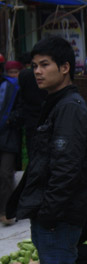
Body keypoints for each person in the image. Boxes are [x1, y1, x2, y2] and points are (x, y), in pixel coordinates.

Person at [8, 36, 87, 264]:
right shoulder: (58, 103)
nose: (38, 72)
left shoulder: (70, 108)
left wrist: (48, 215)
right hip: (55, 217)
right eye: (34, 66)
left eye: (45, 65)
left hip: (58, 220)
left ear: (65, 68)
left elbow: (66, 170)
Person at [0, 59, 19, 225]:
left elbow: (22, 109)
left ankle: (6, 210)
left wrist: (10, 120)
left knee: (6, 173)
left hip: (8, 135)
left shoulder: (12, 87)